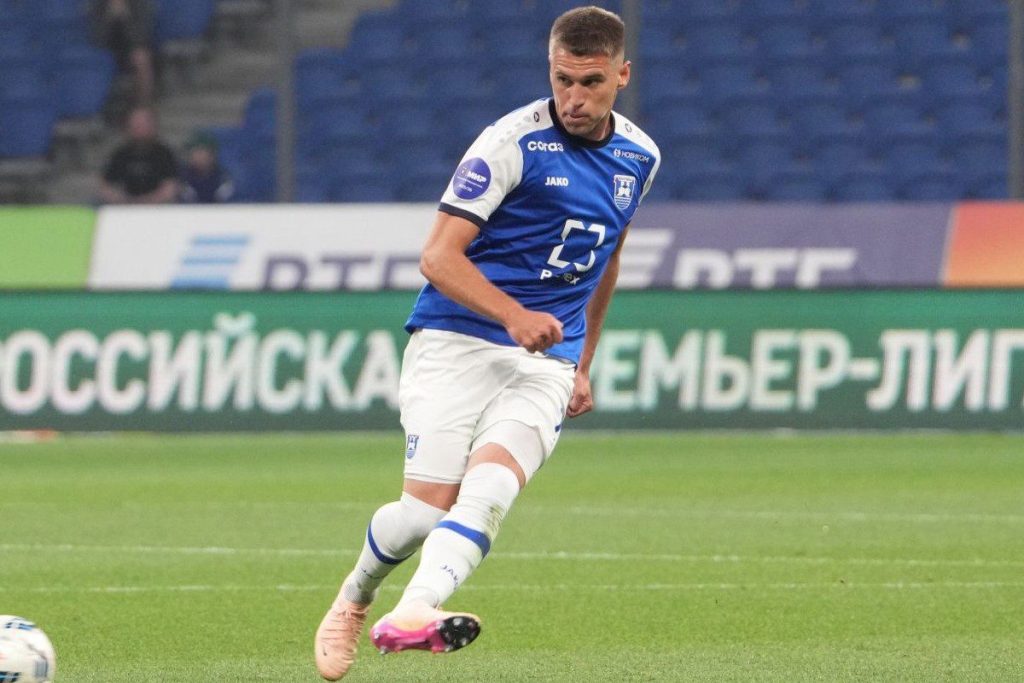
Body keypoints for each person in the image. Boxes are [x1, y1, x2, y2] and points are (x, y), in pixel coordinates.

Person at [314, 6, 660, 680]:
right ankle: (353, 599)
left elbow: (608, 257)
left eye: (591, 82)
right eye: (562, 80)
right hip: (456, 339)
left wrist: (582, 362)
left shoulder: (640, 157)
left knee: (492, 488)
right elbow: (438, 256)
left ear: (622, 75)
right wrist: (513, 315)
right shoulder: (509, 144)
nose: (574, 98)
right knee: (424, 514)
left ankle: (414, 611)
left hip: (547, 360)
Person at [99, 106, 179, 204]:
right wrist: (122, 200)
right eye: (135, 124)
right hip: (126, 206)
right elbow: (105, 185)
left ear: (153, 126)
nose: (138, 128)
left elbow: (170, 187)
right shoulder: (120, 154)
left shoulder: (165, 154)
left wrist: (147, 202)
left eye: (142, 124)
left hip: (158, 207)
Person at [90, 0, 156, 105]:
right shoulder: (97, 4)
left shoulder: (140, 4)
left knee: (141, 58)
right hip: (105, 50)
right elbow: (97, 39)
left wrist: (126, 18)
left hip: (130, 48)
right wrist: (109, 17)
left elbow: (141, 37)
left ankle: (142, 106)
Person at [179, 132, 235, 203]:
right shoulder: (181, 177)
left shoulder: (223, 178)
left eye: (200, 152)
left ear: (212, 155)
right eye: (192, 152)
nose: (195, 156)